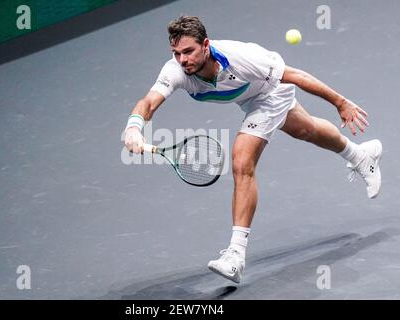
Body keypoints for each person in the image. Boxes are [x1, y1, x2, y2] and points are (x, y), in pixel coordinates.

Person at [123, 16, 382, 283]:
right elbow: (149, 102)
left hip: (271, 92)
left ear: (206, 46)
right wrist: (134, 127)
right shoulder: (175, 71)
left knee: (241, 160)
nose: (182, 59)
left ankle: (235, 255)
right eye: (176, 53)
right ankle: (361, 155)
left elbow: (297, 76)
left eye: (188, 51)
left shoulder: (242, 57)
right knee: (306, 130)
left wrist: (340, 102)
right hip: (247, 98)